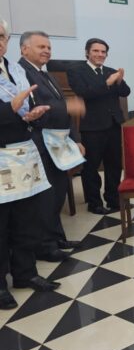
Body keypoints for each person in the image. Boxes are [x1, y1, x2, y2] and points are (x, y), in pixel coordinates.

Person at [0, 20, 61, 310]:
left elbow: (24, 107)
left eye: (2, 36)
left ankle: (25, 273)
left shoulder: (14, 70)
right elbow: (11, 108)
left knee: (26, 218)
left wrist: (32, 114)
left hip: (23, 154)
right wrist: (11, 109)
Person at [19, 31, 85, 261]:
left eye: (48, 47)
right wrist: (67, 107)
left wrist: (76, 140)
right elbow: (33, 109)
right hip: (39, 144)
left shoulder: (47, 75)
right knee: (45, 197)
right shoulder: (22, 73)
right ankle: (45, 246)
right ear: (24, 49)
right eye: (41, 47)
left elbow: (65, 113)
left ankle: (57, 237)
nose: (47, 51)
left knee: (57, 192)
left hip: (58, 145)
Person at [66, 38, 130, 214]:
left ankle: (114, 199)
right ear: (87, 52)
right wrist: (107, 83)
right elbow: (84, 92)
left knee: (114, 165)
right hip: (92, 127)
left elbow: (125, 92)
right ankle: (94, 203)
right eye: (96, 51)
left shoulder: (111, 71)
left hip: (114, 125)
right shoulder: (76, 71)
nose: (100, 54)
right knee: (91, 167)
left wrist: (119, 81)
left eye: (103, 52)